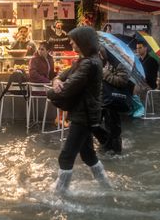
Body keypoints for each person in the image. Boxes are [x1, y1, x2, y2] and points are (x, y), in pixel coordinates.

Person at [46, 26, 110, 194]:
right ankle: (107, 187)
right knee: (88, 155)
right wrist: (57, 81)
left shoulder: (89, 64)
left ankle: (60, 194)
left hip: (84, 116)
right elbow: (62, 76)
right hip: (85, 114)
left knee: (66, 156)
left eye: (73, 40)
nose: (71, 43)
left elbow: (68, 88)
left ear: (82, 42)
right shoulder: (86, 60)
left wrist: (50, 91)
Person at [92, 49, 131, 155]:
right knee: (93, 124)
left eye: (101, 51)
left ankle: (115, 151)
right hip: (100, 99)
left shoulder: (118, 63)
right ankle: (106, 143)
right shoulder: (101, 62)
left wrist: (106, 74)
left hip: (112, 100)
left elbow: (123, 81)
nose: (99, 53)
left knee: (114, 128)